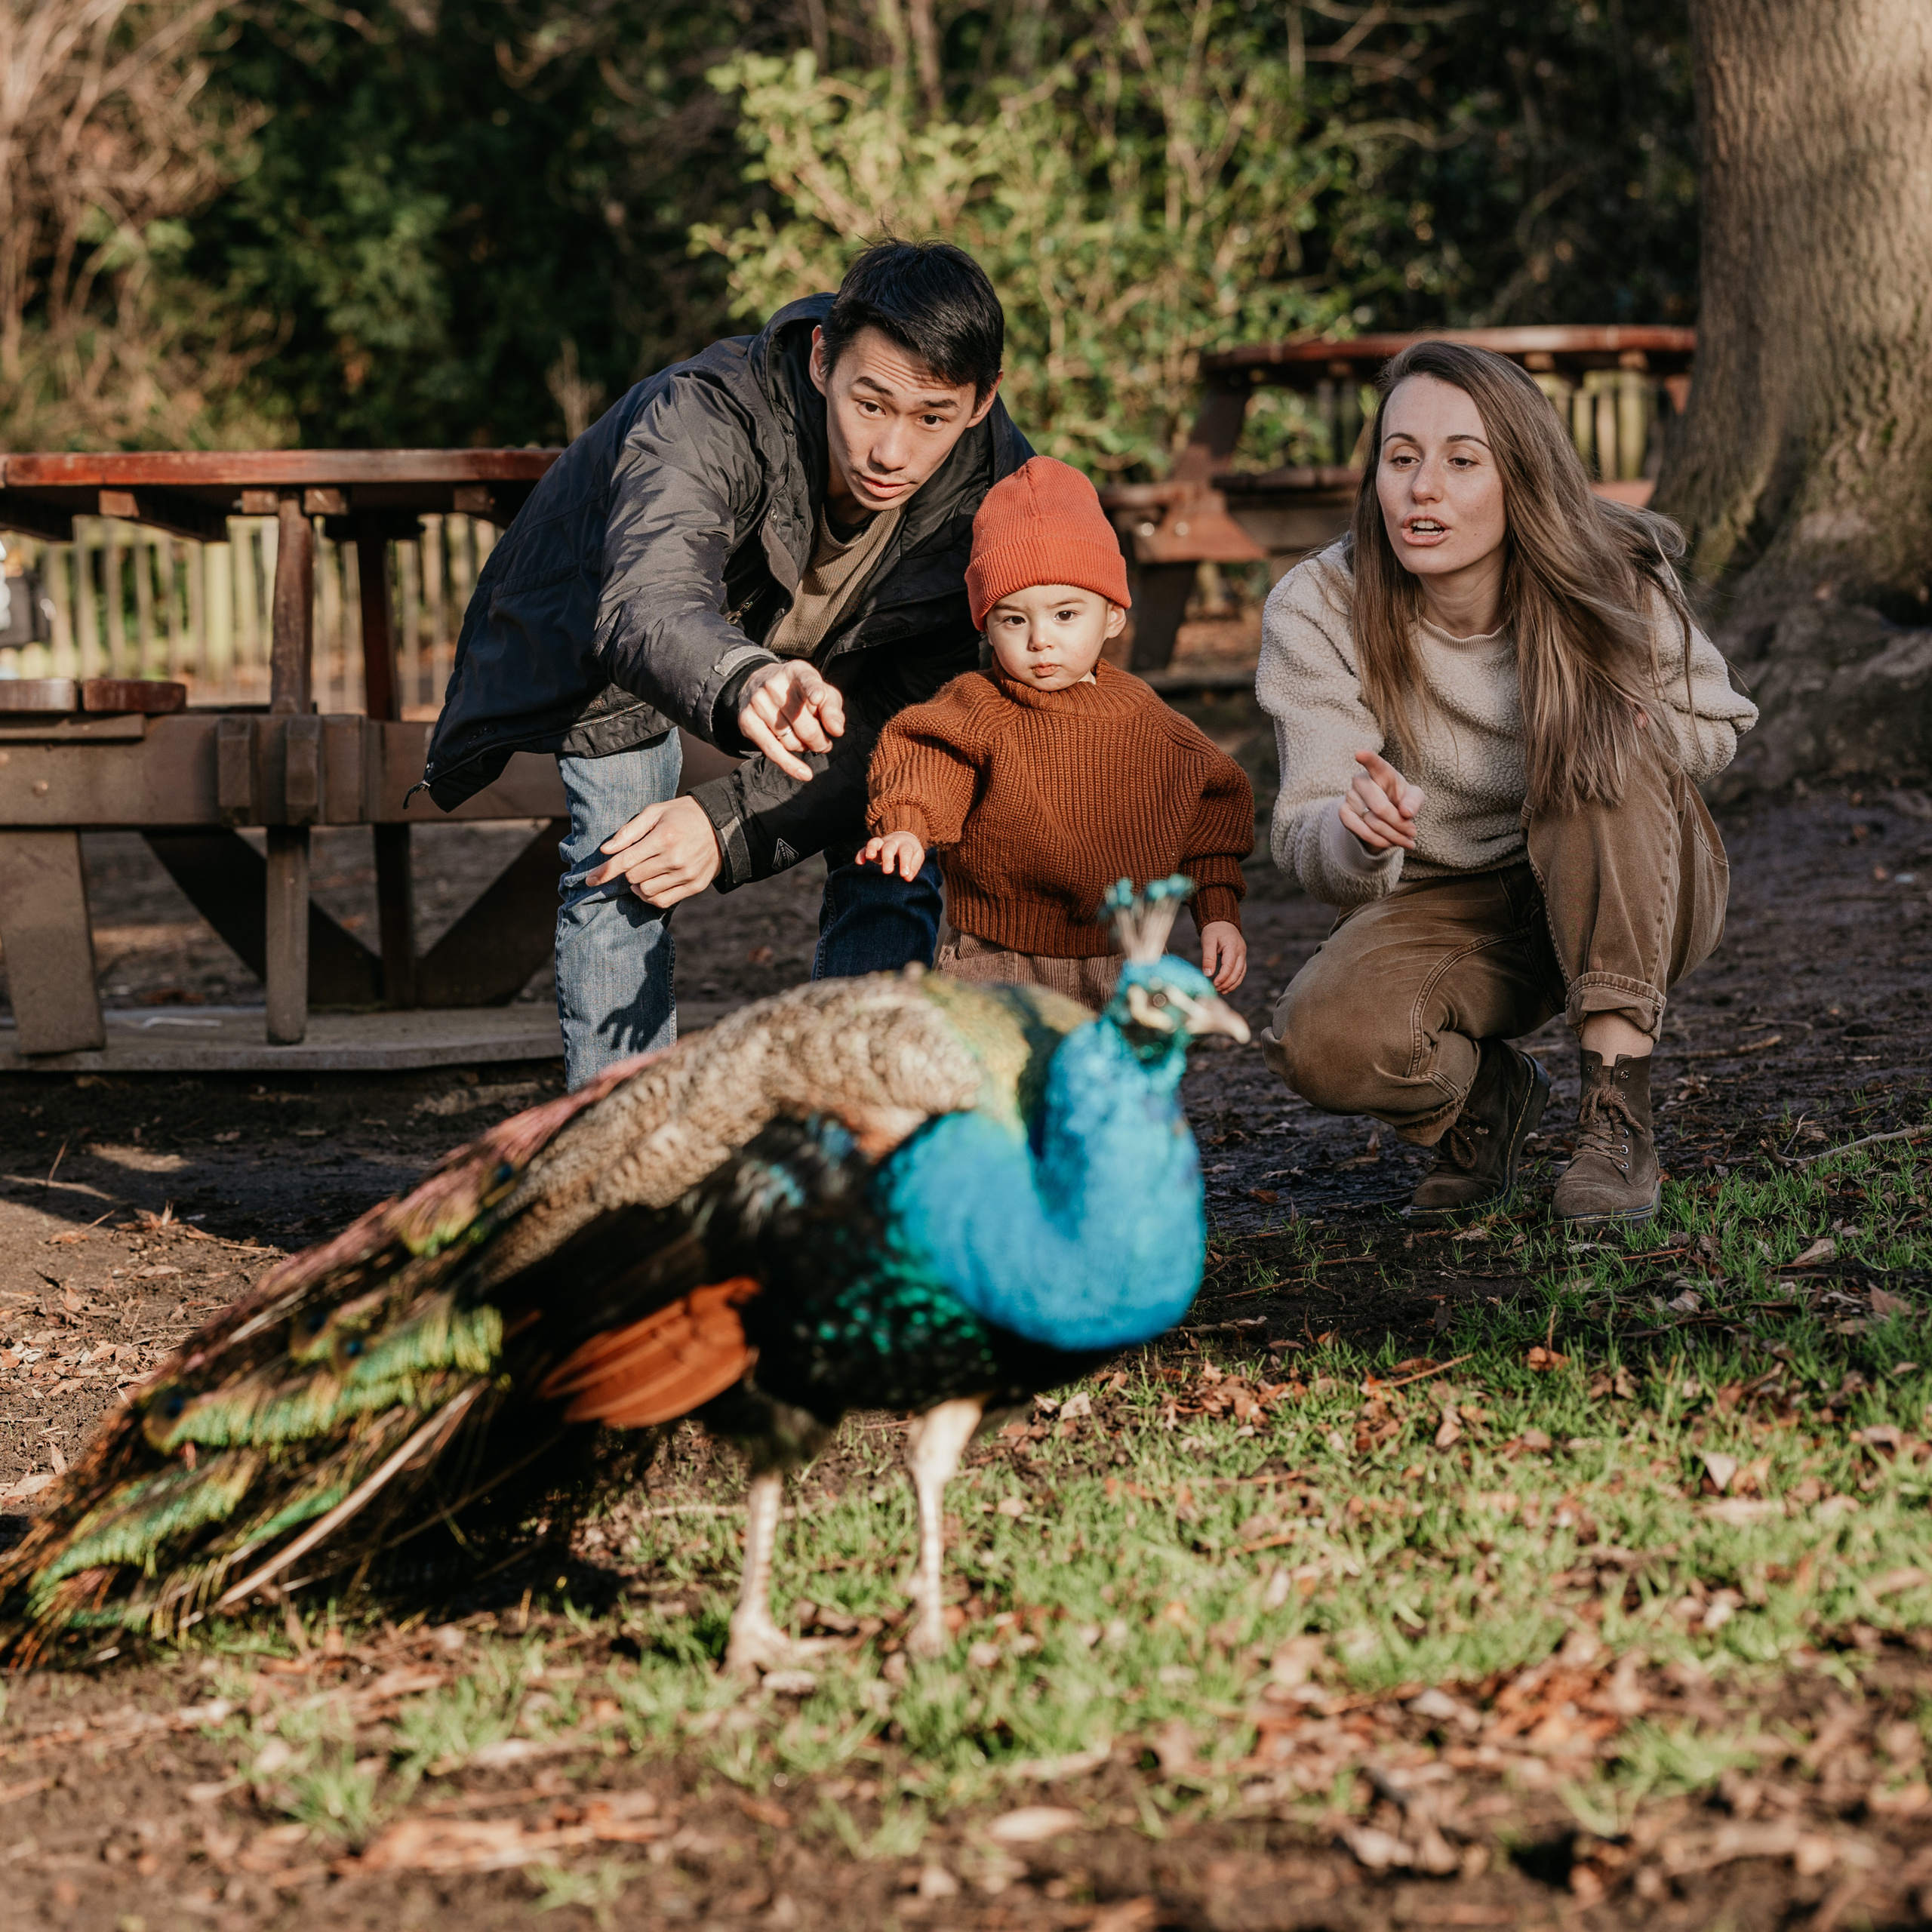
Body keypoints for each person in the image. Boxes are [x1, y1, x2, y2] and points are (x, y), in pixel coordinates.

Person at [418, 242, 1031, 1088]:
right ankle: (622, 1152)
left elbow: (914, 717)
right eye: (871, 403)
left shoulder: (998, 490)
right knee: (622, 861)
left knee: (900, 825)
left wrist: (723, 824)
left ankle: (849, 1130)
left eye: (931, 416)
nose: (891, 450)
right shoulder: (707, 412)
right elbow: (648, 605)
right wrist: (746, 678)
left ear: (979, 401)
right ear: (822, 358)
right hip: (623, 643)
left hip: (841, 675)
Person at [1257, 340, 1758, 1226]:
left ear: (1519, 474)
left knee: (1601, 744)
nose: (1422, 489)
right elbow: (1308, 829)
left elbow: (1716, 726)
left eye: (1461, 461)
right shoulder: (1321, 604)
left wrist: (1623, 721)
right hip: (1451, 903)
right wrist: (1354, 830)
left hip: (1632, 881)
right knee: (1321, 1039)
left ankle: (1616, 1121)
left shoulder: (1608, 568)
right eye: (1400, 458)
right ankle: (1490, 1103)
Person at [860, 456, 1253, 1007]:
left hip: (1120, 960)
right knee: (994, 1082)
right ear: (987, 626)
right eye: (1014, 619)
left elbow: (1208, 816)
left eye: (1066, 615)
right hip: (995, 957)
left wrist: (1218, 913)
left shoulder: (1149, 723)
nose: (1040, 639)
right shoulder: (978, 706)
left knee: (1105, 1086)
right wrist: (907, 826)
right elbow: (927, 764)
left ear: (1112, 614)